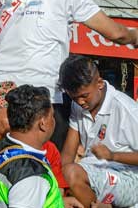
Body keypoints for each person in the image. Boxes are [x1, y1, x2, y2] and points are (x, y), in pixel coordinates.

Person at [0, 0, 138, 148]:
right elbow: (116, 33)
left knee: (5, 167)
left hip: (2, 102)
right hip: (45, 98)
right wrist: (133, 37)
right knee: (49, 168)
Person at [59, 55, 138, 207]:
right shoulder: (79, 105)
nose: (80, 102)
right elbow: (68, 152)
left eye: (84, 96)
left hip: (129, 178)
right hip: (94, 171)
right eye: (74, 98)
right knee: (63, 178)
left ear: (100, 83)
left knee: (71, 174)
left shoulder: (127, 110)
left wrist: (113, 156)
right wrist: (58, 186)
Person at [0, 85, 77, 208]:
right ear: (43, 123)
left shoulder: (3, 148)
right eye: (52, 116)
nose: (54, 121)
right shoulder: (31, 175)